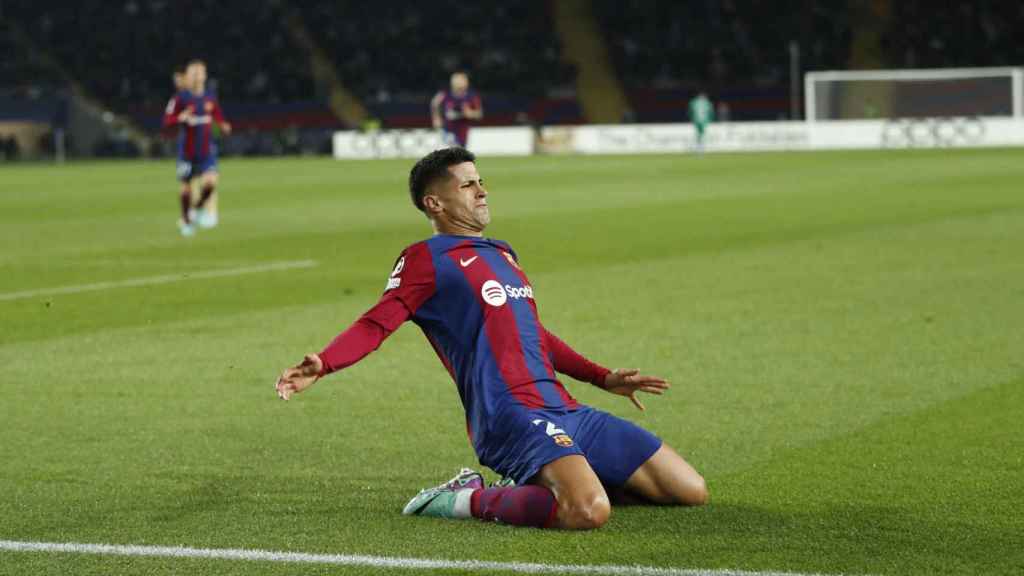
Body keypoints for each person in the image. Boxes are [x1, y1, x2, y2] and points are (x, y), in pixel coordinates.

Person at [275, 148, 708, 530]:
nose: (482, 191)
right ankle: (462, 498)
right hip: (509, 415)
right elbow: (376, 323)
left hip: (564, 409)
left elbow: (532, 335)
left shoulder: (502, 254)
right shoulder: (425, 260)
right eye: (467, 185)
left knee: (689, 490)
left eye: (481, 182)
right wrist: (326, 362)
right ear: (435, 202)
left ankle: (555, 482)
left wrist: (602, 378)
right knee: (587, 512)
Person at [162, 59, 231, 236]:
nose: (196, 76)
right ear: (188, 76)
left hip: (206, 150)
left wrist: (223, 126)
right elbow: (167, 121)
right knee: (186, 188)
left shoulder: (210, 97)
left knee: (210, 183)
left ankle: (198, 209)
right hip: (187, 151)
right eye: (193, 73)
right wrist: (180, 118)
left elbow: (218, 116)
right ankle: (186, 220)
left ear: (204, 75)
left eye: (199, 72)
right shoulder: (180, 99)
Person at [430, 72, 482, 148]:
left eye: (462, 81)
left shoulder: (471, 97)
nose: (459, 83)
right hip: (447, 129)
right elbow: (434, 104)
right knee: (452, 152)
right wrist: (436, 118)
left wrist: (471, 113)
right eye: (456, 81)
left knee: (459, 154)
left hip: (462, 131)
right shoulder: (445, 94)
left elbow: (479, 114)